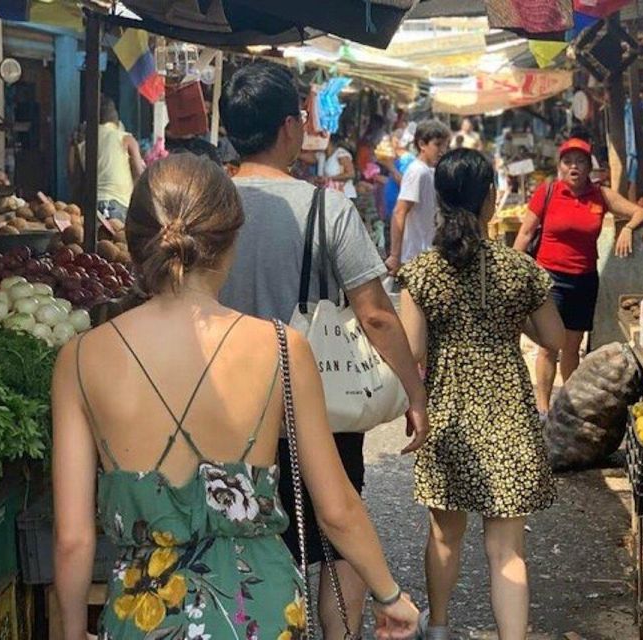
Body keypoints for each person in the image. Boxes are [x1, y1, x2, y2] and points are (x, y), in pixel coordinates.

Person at [51, 153, 420, 640]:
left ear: (136, 242)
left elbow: (74, 539)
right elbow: (337, 508)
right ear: (231, 244)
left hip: (144, 616)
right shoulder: (284, 348)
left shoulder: (80, 359)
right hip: (260, 611)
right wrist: (391, 596)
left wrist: (73, 632)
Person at [217, 62, 430, 639]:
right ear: (291, 126)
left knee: (244, 533)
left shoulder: (207, 208)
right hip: (318, 406)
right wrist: (415, 392)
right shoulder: (325, 209)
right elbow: (377, 315)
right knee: (338, 540)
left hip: (224, 408)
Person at [397, 149, 564, 640]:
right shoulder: (520, 269)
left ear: (442, 200)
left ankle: (441, 628)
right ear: (492, 198)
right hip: (509, 413)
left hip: (448, 413)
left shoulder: (423, 272)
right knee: (507, 550)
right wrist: (517, 317)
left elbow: (412, 350)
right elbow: (554, 340)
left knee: (445, 536)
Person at [513, 137, 643, 415]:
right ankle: (542, 409)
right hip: (548, 278)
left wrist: (628, 228)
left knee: (573, 346)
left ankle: (567, 406)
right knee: (549, 346)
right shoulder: (547, 191)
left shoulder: (601, 195)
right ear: (560, 166)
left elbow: (640, 212)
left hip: (584, 280)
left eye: (580, 161)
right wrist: (512, 268)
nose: (574, 166)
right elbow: (526, 233)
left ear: (590, 166)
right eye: (568, 161)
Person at [386, 120, 451, 275]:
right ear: (422, 144)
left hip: (430, 254)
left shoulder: (431, 171)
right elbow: (400, 212)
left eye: (445, 146)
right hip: (416, 257)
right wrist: (395, 256)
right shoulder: (417, 172)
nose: (442, 150)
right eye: (437, 145)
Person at [78, 97, 145, 221]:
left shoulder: (83, 143)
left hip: (90, 205)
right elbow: (140, 175)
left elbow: (73, 176)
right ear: (116, 121)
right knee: (117, 240)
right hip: (117, 204)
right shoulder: (126, 138)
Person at [323, 133, 358, 200]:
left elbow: (351, 174)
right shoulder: (323, 154)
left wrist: (329, 178)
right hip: (334, 195)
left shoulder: (341, 154)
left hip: (345, 195)